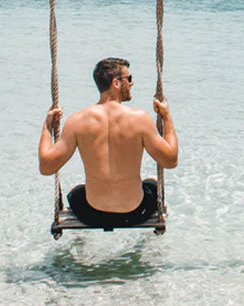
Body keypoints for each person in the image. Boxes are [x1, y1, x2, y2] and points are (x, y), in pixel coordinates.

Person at [39, 57, 178, 228]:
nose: (132, 84)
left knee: (76, 193)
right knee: (152, 184)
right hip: (135, 213)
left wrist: (47, 126)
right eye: (129, 79)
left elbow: (46, 168)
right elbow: (170, 161)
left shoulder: (77, 120)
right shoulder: (140, 119)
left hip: (91, 214)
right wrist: (167, 117)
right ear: (116, 83)